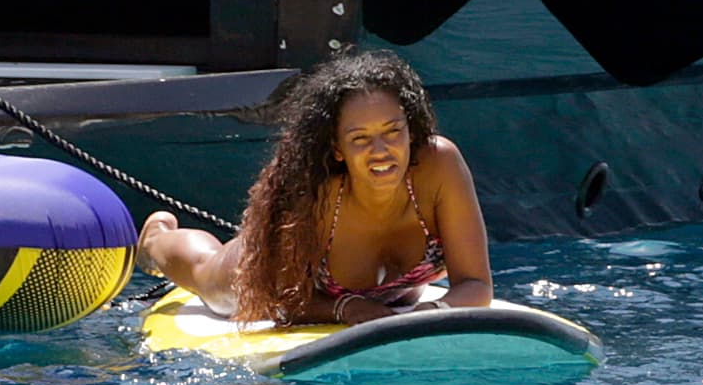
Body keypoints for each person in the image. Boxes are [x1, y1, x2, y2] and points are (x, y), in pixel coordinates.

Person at [136, 48, 492, 325]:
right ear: (337, 148)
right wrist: (344, 307)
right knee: (207, 272)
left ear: (410, 130)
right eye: (360, 138)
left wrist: (430, 313)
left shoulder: (439, 164)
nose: (381, 151)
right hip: (281, 283)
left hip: (397, 298)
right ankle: (156, 238)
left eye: (392, 131)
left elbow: (476, 284)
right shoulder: (315, 190)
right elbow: (277, 300)